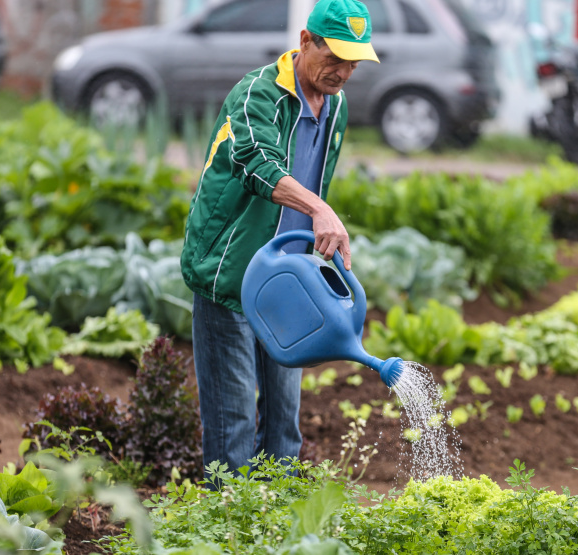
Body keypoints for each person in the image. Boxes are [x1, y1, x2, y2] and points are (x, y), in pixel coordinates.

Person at [180, 0, 380, 483]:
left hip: (290, 282)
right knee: (233, 425)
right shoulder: (258, 94)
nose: (343, 72)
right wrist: (319, 209)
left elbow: (315, 176)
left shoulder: (336, 106)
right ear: (305, 41)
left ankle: (278, 518)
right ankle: (228, 519)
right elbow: (255, 161)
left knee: (284, 428)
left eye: (354, 62)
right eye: (334, 57)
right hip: (232, 272)